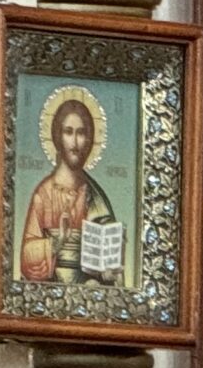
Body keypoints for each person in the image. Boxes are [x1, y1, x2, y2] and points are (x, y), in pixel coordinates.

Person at [17, 94, 124, 285]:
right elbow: (26, 256)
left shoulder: (95, 196)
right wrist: (57, 242)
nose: (74, 143)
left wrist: (109, 271)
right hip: (51, 286)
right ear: (57, 136)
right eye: (68, 132)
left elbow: (109, 265)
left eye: (81, 133)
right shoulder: (44, 194)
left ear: (89, 140)